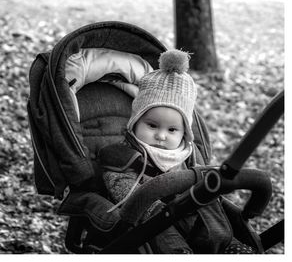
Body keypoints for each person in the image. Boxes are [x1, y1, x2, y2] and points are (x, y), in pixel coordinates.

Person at [99, 50, 235, 253]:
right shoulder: (124, 154)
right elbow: (118, 182)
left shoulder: (188, 154)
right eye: (152, 126)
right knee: (161, 228)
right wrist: (146, 201)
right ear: (135, 122)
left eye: (172, 130)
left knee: (209, 209)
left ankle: (229, 246)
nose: (161, 136)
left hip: (187, 207)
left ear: (184, 132)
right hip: (150, 214)